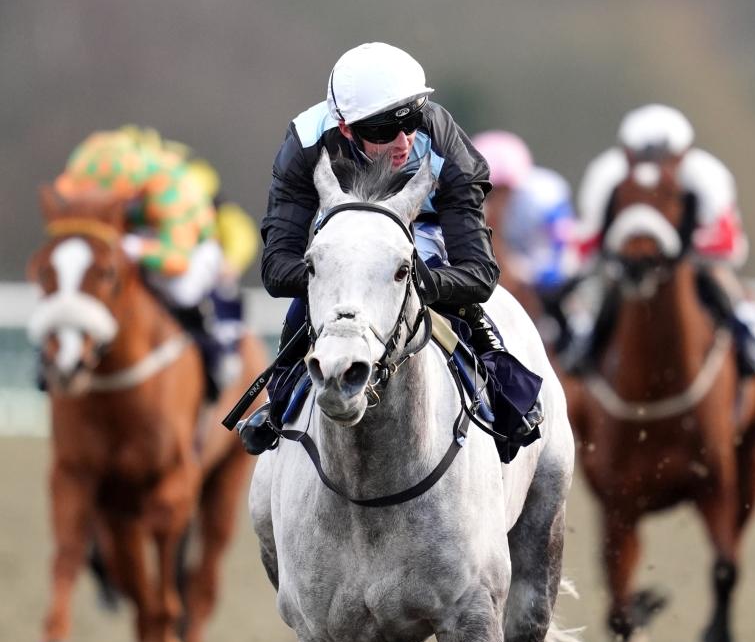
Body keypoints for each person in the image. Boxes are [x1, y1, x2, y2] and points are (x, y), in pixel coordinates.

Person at [239, 42, 544, 456]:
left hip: (424, 240)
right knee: (302, 304)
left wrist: (409, 277)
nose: (403, 142)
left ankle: (505, 397)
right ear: (345, 127)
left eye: (412, 121)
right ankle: (279, 405)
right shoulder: (306, 143)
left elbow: (479, 273)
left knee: (467, 307)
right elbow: (277, 269)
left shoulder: (445, 145)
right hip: (342, 242)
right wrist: (339, 274)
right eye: (383, 131)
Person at [565, 103, 755, 376]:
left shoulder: (707, 176)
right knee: (595, 291)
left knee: (721, 278)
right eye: (642, 157)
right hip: (625, 260)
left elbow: (727, 241)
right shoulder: (606, 176)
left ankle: (746, 331)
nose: (653, 165)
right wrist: (619, 253)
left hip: (693, 259)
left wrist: (677, 252)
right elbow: (589, 235)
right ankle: (584, 339)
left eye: (665, 157)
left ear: (682, 155)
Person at [53, 127, 254, 397]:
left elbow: (177, 259)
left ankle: (218, 349)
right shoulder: (114, 164)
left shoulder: (174, 193)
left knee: (183, 290)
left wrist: (131, 249)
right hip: (146, 235)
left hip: (191, 247)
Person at [471, 130, 581, 350]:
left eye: (504, 191)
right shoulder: (462, 202)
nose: (497, 200)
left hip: (542, 278)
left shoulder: (546, 195)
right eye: (489, 191)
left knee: (577, 320)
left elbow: (565, 255)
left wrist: (532, 274)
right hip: (498, 274)